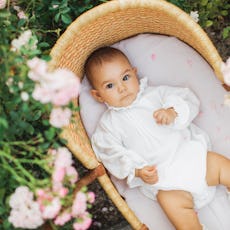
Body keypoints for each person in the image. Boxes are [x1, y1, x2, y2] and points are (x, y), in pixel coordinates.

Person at [84, 46, 230, 230]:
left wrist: (172, 111)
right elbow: (109, 153)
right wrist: (137, 170)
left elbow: (187, 98)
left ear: (135, 74)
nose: (122, 88)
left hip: (194, 157)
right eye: (110, 86)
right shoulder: (108, 126)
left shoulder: (156, 95)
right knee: (171, 206)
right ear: (98, 95)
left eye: (126, 78)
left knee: (224, 167)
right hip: (166, 182)